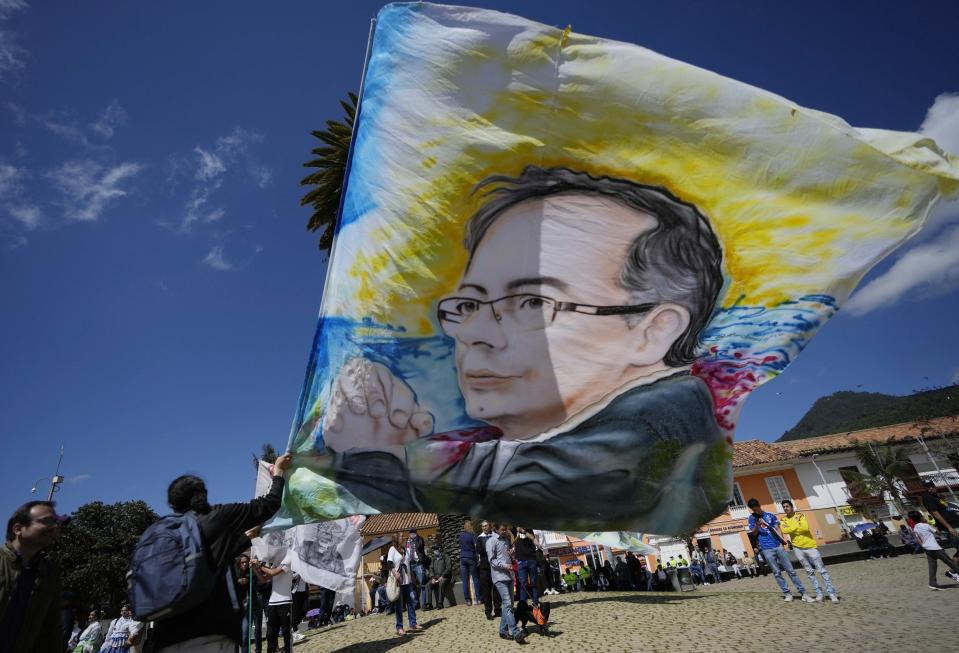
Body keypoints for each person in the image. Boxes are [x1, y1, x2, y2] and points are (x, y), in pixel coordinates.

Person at [322, 166, 730, 533]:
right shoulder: (519, 447)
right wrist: (392, 454)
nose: (473, 333)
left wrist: (371, 458)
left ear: (653, 332)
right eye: (468, 304)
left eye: (533, 301)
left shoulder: (648, 447)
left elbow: (541, 490)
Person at [151, 452, 292, 653]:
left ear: (172, 503)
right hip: (210, 634)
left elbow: (215, 554)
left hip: (163, 638)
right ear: (203, 495)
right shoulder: (217, 516)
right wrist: (278, 471)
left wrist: (247, 537)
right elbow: (268, 504)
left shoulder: (161, 531)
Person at [0, 500, 64, 652]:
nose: (54, 527)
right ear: (18, 529)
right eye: (47, 521)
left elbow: (50, 630)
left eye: (56, 522)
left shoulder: (49, 573)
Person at [747, 498, 814, 602]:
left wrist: (782, 542)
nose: (755, 511)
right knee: (777, 572)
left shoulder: (770, 515)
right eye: (753, 510)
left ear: (759, 506)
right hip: (766, 549)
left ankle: (803, 593)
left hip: (778, 546)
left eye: (756, 509)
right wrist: (757, 524)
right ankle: (787, 593)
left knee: (791, 571)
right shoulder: (751, 518)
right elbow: (754, 533)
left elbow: (778, 528)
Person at [779, 499, 838, 602]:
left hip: (810, 546)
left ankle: (831, 593)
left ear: (792, 507)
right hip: (797, 548)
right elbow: (784, 530)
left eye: (787, 506)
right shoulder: (783, 520)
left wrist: (792, 528)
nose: (785, 508)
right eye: (784, 507)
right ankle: (819, 593)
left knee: (822, 570)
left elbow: (805, 528)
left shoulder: (800, 516)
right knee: (809, 571)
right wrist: (797, 526)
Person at [486, 524, 526, 644]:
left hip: (509, 576)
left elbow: (508, 557)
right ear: (496, 529)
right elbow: (491, 560)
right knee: (508, 604)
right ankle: (515, 631)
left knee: (508, 605)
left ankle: (503, 630)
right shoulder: (491, 541)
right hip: (499, 577)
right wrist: (505, 565)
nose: (505, 531)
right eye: (502, 530)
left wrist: (511, 555)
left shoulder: (506, 540)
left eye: (505, 529)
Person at [906, 510, 959, 590]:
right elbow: (938, 533)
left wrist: (923, 546)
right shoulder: (926, 525)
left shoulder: (915, 528)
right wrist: (931, 525)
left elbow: (918, 539)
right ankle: (936, 581)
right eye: (923, 516)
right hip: (935, 548)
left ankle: (932, 583)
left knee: (932, 567)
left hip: (927, 549)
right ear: (921, 517)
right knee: (952, 564)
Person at [387, 535, 420, 636]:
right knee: (399, 605)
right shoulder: (392, 549)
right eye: (401, 537)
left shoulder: (404, 549)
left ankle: (413, 624)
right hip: (398, 581)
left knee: (411, 601)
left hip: (407, 580)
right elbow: (389, 562)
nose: (403, 538)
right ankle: (399, 627)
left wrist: (412, 577)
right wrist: (394, 572)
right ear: (396, 539)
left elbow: (411, 561)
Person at [919, 480, 959, 563]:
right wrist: (949, 528)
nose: (930, 488)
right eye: (928, 487)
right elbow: (936, 513)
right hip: (949, 527)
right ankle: (953, 570)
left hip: (955, 524)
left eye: (932, 486)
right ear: (925, 488)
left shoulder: (935, 496)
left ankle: (954, 570)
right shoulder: (927, 497)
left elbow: (946, 509)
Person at [476, 520, 502, 618]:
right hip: (484, 568)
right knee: (486, 591)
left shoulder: (496, 536)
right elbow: (479, 550)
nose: (484, 528)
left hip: (495, 567)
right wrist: (490, 549)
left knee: (496, 589)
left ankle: (498, 609)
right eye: (482, 526)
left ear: (490, 526)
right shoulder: (480, 538)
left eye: (485, 526)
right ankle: (488, 611)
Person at [457, 521, 481, 606]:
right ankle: (478, 598)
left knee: (465, 580)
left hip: (462, 558)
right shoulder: (473, 535)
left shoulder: (461, 536)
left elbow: (460, 545)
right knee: (475, 578)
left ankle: (467, 600)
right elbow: (476, 546)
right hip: (471, 557)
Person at [405, 528, 428, 610]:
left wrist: (415, 538)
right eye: (410, 533)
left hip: (418, 564)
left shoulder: (420, 539)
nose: (411, 534)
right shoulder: (407, 542)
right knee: (412, 585)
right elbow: (406, 552)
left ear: (416, 533)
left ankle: (424, 604)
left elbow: (420, 546)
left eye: (413, 533)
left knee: (422, 584)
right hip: (410, 565)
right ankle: (415, 603)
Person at [428, 538, 455, 609]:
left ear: (440, 549)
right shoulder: (433, 558)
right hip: (436, 577)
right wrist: (432, 577)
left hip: (445, 577)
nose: (434, 551)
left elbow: (448, 568)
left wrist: (442, 576)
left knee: (441, 583)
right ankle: (429, 604)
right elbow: (431, 568)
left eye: (436, 549)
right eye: (434, 550)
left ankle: (440, 603)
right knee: (427, 585)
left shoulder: (446, 556)